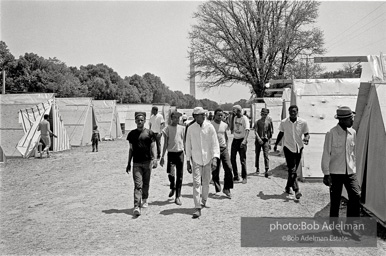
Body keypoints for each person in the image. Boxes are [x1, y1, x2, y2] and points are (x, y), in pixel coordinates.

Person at [321, 106, 360, 236]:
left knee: (355, 195)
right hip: (335, 172)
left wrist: (354, 169)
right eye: (350, 118)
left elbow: (353, 153)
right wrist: (326, 174)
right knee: (335, 200)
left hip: (350, 172)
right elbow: (326, 154)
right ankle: (335, 228)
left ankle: (350, 227)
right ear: (342, 120)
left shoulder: (352, 133)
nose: (352, 120)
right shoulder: (331, 133)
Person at [186, 107, 220, 218]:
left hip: (208, 159)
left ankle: (204, 200)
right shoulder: (190, 128)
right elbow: (188, 145)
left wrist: (215, 158)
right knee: (196, 183)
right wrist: (188, 161)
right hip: (196, 159)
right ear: (195, 116)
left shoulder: (210, 127)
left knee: (206, 182)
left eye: (203, 114)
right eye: (200, 114)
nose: (203, 116)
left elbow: (215, 143)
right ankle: (197, 207)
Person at [274, 105, 309, 200]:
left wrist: (306, 138)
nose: (293, 113)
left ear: (297, 112)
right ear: (289, 112)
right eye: (291, 112)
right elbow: (280, 133)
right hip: (288, 148)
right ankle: (296, 190)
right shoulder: (284, 122)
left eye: (294, 111)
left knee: (293, 170)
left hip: (299, 148)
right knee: (292, 169)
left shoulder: (303, 122)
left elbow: (306, 134)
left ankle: (287, 186)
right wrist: (276, 144)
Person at [126, 112, 157, 217]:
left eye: (141, 120)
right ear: (135, 121)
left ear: (144, 121)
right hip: (136, 163)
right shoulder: (131, 134)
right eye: (138, 120)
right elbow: (131, 150)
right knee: (138, 185)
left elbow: (153, 146)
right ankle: (136, 206)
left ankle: (144, 198)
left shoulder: (149, 133)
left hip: (147, 162)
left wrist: (154, 159)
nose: (139, 122)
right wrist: (128, 163)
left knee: (146, 183)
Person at [160, 111, 185, 206]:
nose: (176, 120)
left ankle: (178, 196)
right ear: (171, 118)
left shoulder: (182, 128)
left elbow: (185, 142)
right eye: (174, 118)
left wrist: (188, 156)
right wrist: (162, 156)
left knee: (180, 175)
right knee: (171, 174)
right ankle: (172, 186)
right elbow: (165, 143)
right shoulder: (167, 129)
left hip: (180, 154)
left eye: (178, 118)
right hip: (171, 154)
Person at [211, 108, 233, 197]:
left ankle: (227, 188)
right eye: (218, 115)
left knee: (229, 167)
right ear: (214, 115)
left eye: (221, 115)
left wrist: (226, 146)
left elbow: (225, 136)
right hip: (214, 150)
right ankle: (217, 185)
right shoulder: (210, 125)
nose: (220, 117)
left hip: (223, 149)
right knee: (215, 170)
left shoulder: (224, 125)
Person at [230, 105, 250, 184]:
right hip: (235, 140)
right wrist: (231, 117)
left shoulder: (244, 119)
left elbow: (247, 130)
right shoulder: (234, 118)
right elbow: (231, 128)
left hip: (242, 140)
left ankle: (244, 177)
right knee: (232, 159)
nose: (233, 112)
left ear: (238, 111)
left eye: (234, 110)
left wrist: (245, 140)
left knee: (242, 160)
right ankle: (236, 176)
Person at [254, 108, 273, 177]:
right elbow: (255, 131)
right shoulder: (257, 122)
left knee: (266, 155)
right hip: (258, 140)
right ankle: (257, 168)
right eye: (263, 114)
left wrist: (269, 142)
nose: (264, 116)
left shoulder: (269, 122)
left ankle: (266, 169)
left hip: (265, 140)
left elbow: (270, 132)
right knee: (257, 154)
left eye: (266, 114)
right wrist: (259, 139)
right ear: (261, 114)